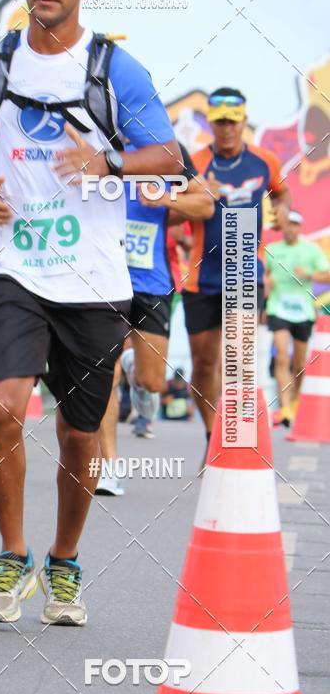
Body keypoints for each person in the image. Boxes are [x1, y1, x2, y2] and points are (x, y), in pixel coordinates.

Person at [0, 0, 182, 625]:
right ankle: (12, 555)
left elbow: (169, 154)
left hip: (93, 276)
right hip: (12, 264)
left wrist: (107, 164)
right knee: (2, 406)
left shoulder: (116, 71)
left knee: (82, 436)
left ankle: (65, 560)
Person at [96, 143, 213, 494]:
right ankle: (108, 467)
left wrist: (166, 201)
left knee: (153, 382)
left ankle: (134, 366)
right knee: (104, 373)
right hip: (103, 276)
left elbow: (206, 203)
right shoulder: (99, 138)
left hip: (152, 281)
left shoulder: (168, 150)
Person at [183, 88, 290, 452]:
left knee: (240, 358)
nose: (226, 129)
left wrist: (283, 210)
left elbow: (281, 192)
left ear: (244, 121)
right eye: (219, 123)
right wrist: (197, 199)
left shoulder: (265, 161)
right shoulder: (194, 162)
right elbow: (173, 210)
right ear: (211, 124)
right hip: (201, 275)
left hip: (245, 269)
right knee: (203, 363)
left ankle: (237, 442)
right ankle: (213, 436)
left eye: (232, 122)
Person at [265, 211, 330, 426]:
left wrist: (309, 275)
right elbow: (261, 277)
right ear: (282, 227)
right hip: (278, 308)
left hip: (303, 311)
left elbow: (327, 274)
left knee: (300, 364)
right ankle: (285, 407)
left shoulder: (311, 250)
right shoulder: (272, 251)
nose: (291, 228)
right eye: (288, 225)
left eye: (295, 225)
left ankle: (292, 401)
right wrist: (267, 284)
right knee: (282, 356)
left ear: (300, 228)